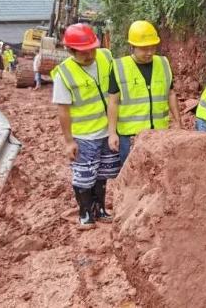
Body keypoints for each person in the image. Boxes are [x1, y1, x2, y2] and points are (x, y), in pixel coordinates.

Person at [51, 24, 117, 229]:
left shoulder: (106, 57)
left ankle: (100, 209)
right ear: (71, 51)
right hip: (85, 135)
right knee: (84, 174)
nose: (90, 55)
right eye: (84, 52)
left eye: (92, 49)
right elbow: (63, 110)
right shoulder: (64, 73)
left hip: (108, 130)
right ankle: (85, 213)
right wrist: (69, 141)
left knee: (103, 172)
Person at [107, 20, 182, 165]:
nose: (149, 52)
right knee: (132, 177)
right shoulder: (119, 67)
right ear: (132, 46)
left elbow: (170, 94)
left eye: (153, 48)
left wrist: (178, 122)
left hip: (159, 134)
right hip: (131, 137)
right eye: (144, 48)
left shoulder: (163, 63)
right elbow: (113, 102)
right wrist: (112, 133)